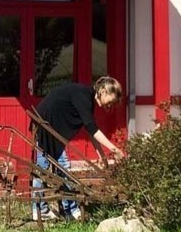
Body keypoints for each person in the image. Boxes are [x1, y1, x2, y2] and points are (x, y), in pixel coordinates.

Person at [30, 75, 124, 221]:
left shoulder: (86, 98)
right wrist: (115, 150)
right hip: (45, 124)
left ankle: (47, 209)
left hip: (48, 124)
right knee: (53, 167)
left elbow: (90, 129)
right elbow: (92, 129)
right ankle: (65, 210)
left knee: (47, 168)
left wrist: (101, 155)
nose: (109, 106)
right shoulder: (84, 97)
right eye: (110, 101)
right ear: (103, 91)